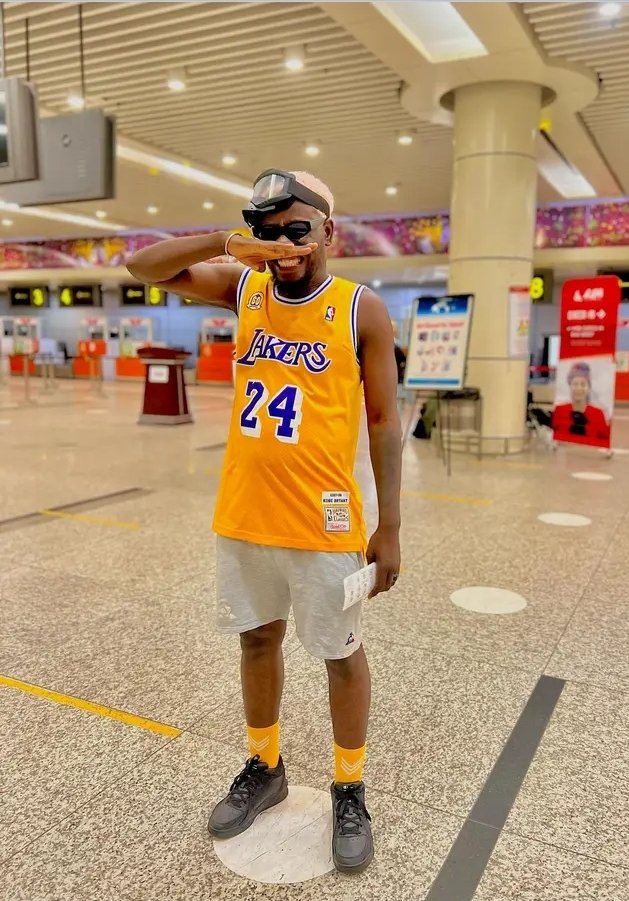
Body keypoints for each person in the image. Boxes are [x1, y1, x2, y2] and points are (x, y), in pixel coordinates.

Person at [127, 169, 402, 874]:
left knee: (340, 651)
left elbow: (383, 422)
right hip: (246, 512)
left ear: (328, 231)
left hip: (326, 521)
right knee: (257, 639)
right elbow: (141, 266)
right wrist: (228, 244)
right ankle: (265, 764)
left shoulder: (360, 309)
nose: (285, 246)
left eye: (297, 230)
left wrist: (391, 526)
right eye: (270, 232)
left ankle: (349, 787)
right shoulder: (244, 287)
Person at [552, 360, 610, 445]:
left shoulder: (598, 414)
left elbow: (605, 440)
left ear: (589, 387)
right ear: (570, 386)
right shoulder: (560, 410)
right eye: (575, 384)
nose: (579, 388)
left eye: (583, 384)